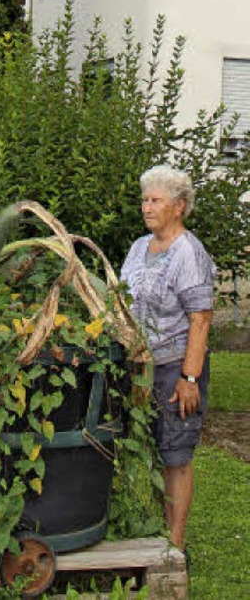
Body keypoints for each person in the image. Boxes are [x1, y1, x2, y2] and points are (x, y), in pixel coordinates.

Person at [121, 164, 215, 553]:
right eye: (145, 199)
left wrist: (189, 379)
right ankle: (153, 531)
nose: (146, 207)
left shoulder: (188, 253)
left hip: (177, 367)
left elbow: (201, 318)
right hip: (140, 367)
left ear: (178, 207)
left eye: (155, 200)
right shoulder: (139, 247)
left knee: (175, 454)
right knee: (149, 449)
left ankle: (173, 545)